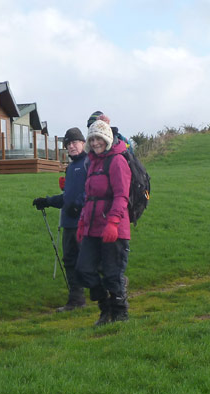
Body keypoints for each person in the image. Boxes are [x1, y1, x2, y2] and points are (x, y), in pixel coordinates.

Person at [76, 120, 131, 325]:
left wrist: (114, 222)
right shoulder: (92, 162)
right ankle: (105, 306)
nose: (96, 142)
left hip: (114, 228)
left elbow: (121, 195)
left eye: (99, 138)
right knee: (84, 269)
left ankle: (119, 314)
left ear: (107, 139)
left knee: (112, 273)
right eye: (92, 139)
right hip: (92, 227)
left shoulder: (117, 161)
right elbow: (89, 197)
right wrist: (82, 224)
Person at [33, 127, 88, 312]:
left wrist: (78, 206)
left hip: (85, 223)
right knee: (70, 261)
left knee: (89, 261)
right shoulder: (71, 167)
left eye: (75, 142)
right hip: (69, 223)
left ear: (83, 143)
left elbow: (92, 191)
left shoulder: (89, 163)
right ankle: (76, 300)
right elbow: (67, 197)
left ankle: (117, 284)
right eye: (68, 144)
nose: (71, 146)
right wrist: (47, 201)